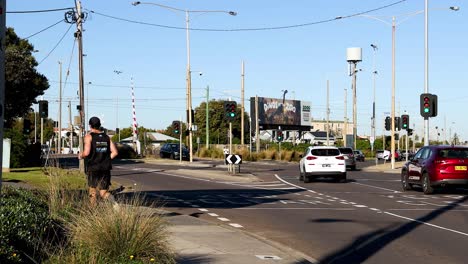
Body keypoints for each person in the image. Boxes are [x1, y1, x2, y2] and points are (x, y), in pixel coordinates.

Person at [78, 117, 118, 206]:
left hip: (93, 167)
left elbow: (87, 153)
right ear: (99, 125)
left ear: (90, 125)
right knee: (103, 192)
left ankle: (93, 211)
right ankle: (114, 203)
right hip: (105, 168)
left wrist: (81, 155)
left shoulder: (89, 136)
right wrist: (106, 159)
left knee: (92, 190)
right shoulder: (107, 137)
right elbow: (115, 152)